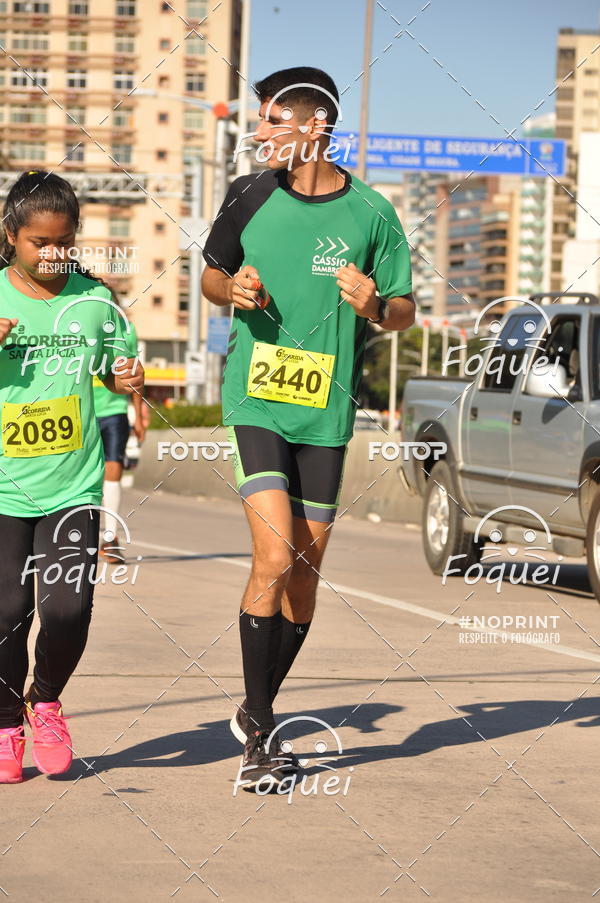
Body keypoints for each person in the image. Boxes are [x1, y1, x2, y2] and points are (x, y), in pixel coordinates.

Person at [202, 67, 415, 790]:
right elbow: (208, 273)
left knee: (304, 575)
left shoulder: (372, 213)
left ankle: (252, 705)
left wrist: (373, 305)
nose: (258, 135)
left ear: (314, 128)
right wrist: (231, 287)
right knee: (273, 554)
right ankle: (259, 737)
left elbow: (404, 310)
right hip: (256, 400)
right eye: (258, 122)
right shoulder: (248, 195)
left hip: (326, 413)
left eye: (271, 123)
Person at [0, 171, 144, 782]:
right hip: (4, 487)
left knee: (66, 609)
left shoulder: (95, 301)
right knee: (6, 609)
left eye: (64, 242)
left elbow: (115, 368)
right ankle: (7, 721)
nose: (54, 254)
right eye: (39, 243)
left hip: (72, 485)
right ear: (10, 236)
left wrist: (127, 380)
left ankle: (46, 699)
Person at [93, 310, 145, 564]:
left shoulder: (126, 329)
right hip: (81, 411)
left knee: (113, 471)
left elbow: (136, 372)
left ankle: (110, 539)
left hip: (114, 411)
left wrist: (139, 414)